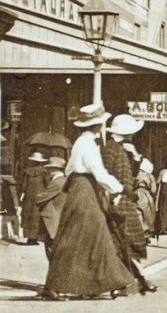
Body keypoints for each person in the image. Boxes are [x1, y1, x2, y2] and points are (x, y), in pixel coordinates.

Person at [42, 104, 135, 300]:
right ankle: (108, 282)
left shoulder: (81, 143)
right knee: (92, 235)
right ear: (97, 125)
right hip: (85, 189)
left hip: (80, 188)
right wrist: (119, 188)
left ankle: (90, 285)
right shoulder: (87, 145)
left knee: (82, 237)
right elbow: (98, 172)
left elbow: (69, 170)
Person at [103, 114, 156, 294]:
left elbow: (131, 174)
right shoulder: (111, 149)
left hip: (125, 200)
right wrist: (114, 196)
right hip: (119, 200)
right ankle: (131, 281)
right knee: (123, 242)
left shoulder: (122, 149)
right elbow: (107, 176)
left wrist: (135, 157)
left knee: (127, 242)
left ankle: (135, 280)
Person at [34, 156, 68, 260]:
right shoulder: (62, 180)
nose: (49, 170)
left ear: (56, 169)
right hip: (57, 218)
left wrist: (37, 196)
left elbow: (40, 198)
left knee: (51, 250)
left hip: (53, 219)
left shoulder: (57, 182)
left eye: (51, 168)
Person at [19, 151, 50, 245]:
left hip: (28, 197)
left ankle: (29, 238)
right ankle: (34, 238)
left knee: (28, 215)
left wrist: (23, 194)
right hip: (39, 196)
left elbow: (23, 186)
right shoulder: (45, 171)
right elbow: (47, 184)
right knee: (37, 217)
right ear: (41, 162)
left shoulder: (27, 171)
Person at [133, 158, 156, 233]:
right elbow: (153, 190)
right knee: (149, 214)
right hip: (147, 195)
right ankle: (147, 231)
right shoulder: (150, 176)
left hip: (136, 194)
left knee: (137, 213)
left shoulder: (135, 175)